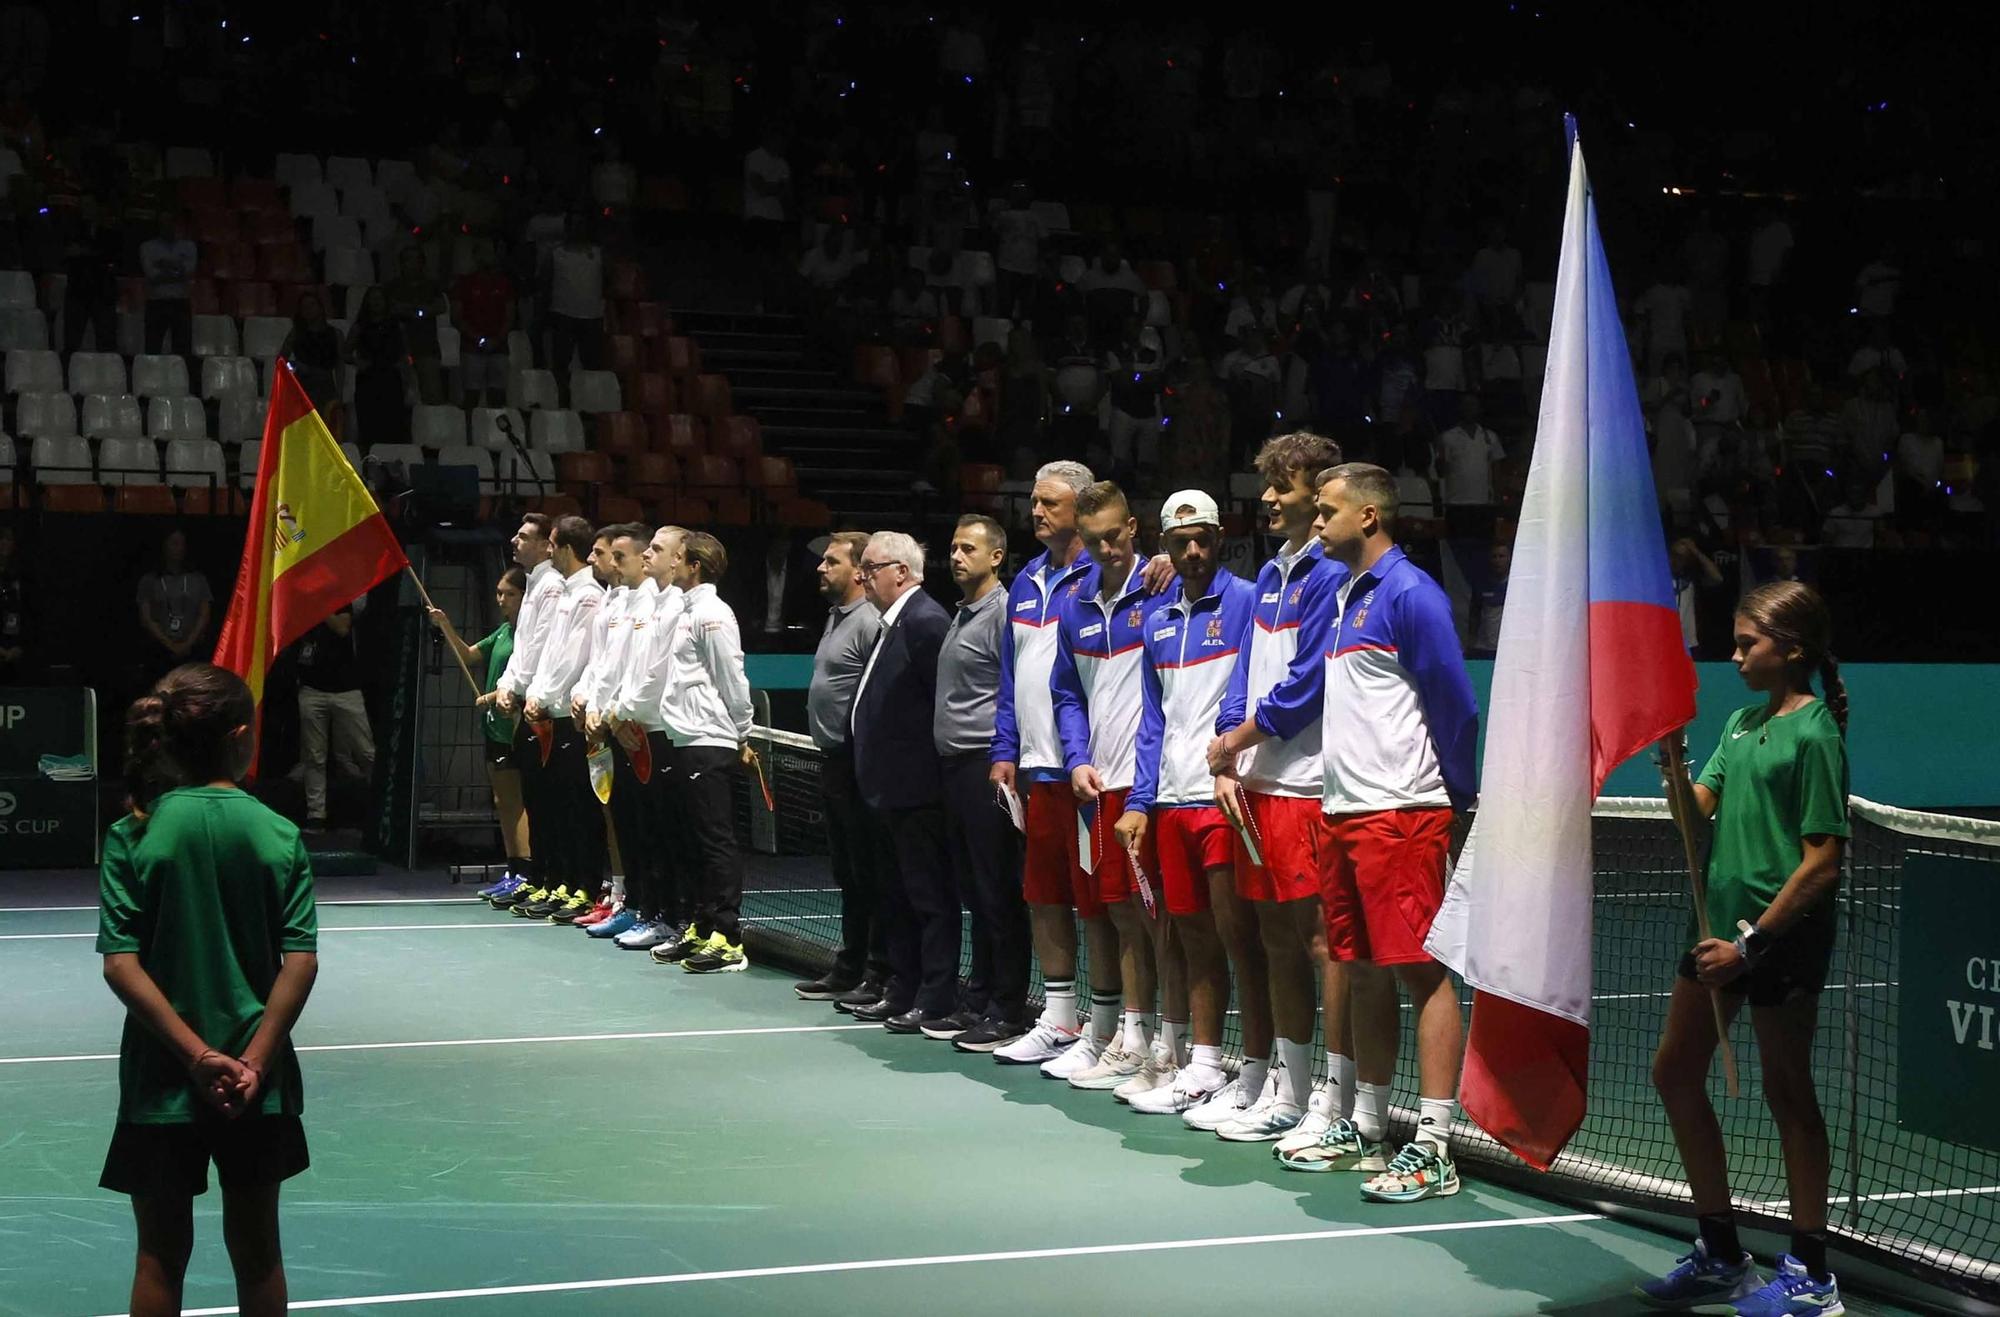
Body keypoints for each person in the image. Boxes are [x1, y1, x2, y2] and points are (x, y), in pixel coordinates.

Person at [1640, 582, 1850, 1316]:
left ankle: (1813, 1274)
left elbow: (1822, 858)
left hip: (1777, 939)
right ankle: (1723, 1253)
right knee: (1674, 1071)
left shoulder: (1815, 733)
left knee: (1787, 1091)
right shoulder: (1737, 724)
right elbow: (1693, 826)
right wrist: (1673, 765)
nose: (1733, 656)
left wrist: (1752, 943)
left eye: (1746, 643)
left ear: (1791, 649)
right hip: (1717, 930)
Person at [1272, 463, 1478, 1201]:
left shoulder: (1411, 594)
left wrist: (1455, 794)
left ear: (1367, 517)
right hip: (1343, 811)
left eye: (1326, 511)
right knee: (1359, 967)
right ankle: (1365, 1125)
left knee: (1422, 972)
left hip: (1402, 812)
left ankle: (1434, 1143)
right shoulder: (1343, 596)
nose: (1315, 521)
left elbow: (1454, 706)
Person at [97, 663, 319, 1317]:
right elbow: (300, 961)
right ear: (242, 736)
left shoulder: (132, 833)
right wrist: (253, 1061)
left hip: (161, 1081)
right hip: (261, 1084)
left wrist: (196, 1058)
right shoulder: (277, 833)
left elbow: (120, 964)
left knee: (159, 1258)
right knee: (259, 1258)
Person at [1202, 433, 1349, 1141]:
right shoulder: (1269, 575)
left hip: (1307, 782)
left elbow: (1310, 682)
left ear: (1318, 495)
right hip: (1258, 783)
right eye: (1267, 485)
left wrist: (1236, 740)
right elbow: (1245, 669)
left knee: (1319, 942)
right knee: (1274, 940)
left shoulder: (1326, 574)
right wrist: (1231, 745)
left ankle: (1337, 1097)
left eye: (1282, 486)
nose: (1267, 497)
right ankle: (1290, 1090)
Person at [1117, 490, 1255, 1116]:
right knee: (1193, 937)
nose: (1193, 551)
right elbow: (1153, 720)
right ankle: (1203, 1064)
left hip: (1224, 800)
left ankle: (1259, 1071)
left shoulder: (1249, 602)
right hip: (1170, 804)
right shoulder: (1156, 620)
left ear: (1220, 536)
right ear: (1165, 544)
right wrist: (1142, 800)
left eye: (1202, 538)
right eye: (1180, 542)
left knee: (1240, 937)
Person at [990, 461, 1117, 1066]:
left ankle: (1108, 1026)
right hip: (1036, 770)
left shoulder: (1103, 577)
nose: (1035, 512)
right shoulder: (1025, 582)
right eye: (1033, 502)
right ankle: (1062, 1018)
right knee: (1044, 896)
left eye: (1049, 503)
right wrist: (1003, 750)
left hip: (1088, 773)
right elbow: (1011, 679)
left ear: (1082, 509)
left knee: (1096, 902)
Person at [1048, 481, 1168, 1089]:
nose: (1106, 549)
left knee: (1159, 917)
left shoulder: (1164, 586)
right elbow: (1065, 691)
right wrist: (1075, 757)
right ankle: (1134, 1033)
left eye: (1115, 536)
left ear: (1134, 530)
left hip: (1151, 785)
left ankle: (1170, 1046)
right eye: (1093, 540)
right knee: (1119, 911)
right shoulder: (1074, 602)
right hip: (1097, 785)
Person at [847, 531, 958, 1031]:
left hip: (917, 792)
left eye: (870, 568)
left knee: (928, 899)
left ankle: (933, 997)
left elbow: (941, 704)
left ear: (902, 572)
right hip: (888, 791)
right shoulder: (893, 622)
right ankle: (902, 986)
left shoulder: (926, 621)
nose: (862, 577)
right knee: (896, 896)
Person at [935, 515, 1034, 1051]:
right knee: (974, 888)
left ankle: (1006, 1007)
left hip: (988, 765)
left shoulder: (1003, 612)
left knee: (998, 890)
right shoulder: (962, 613)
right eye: (952, 547)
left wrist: (1006, 755)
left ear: (996, 557)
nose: (956, 555)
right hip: (954, 766)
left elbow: (1012, 690)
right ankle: (979, 996)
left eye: (968, 548)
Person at [655, 531, 757, 973]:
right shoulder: (686, 610)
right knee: (693, 840)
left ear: (694, 565)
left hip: (710, 739)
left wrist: (742, 731)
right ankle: (701, 925)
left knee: (716, 841)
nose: (671, 564)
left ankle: (728, 937)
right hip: (686, 738)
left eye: (678, 558)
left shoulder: (714, 613)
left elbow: (730, 675)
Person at [795, 533, 887, 1002]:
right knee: (847, 872)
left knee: (869, 872)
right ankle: (850, 965)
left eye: (831, 561)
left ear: (858, 572)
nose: (820, 567)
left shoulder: (870, 621)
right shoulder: (836, 618)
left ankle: (876, 970)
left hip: (860, 765)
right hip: (831, 761)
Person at [601, 525, 692, 948]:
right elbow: (624, 667)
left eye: (657, 548)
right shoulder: (651, 603)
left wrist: (622, 712)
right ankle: (646, 909)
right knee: (637, 828)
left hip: (656, 730)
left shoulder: (675, 605)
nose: (650, 554)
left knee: (663, 833)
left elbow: (656, 672)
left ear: (678, 558)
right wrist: (614, 712)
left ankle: (672, 917)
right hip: (630, 726)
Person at [515, 516, 606, 922]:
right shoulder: (567, 593)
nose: (548, 552)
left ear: (566, 548)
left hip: (570, 714)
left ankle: (581, 885)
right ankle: (558, 881)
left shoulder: (587, 595)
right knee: (551, 803)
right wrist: (534, 694)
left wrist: (543, 696)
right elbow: (547, 653)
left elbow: (574, 658)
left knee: (575, 807)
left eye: (552, 545)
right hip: (548, 709)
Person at [426, 568, 531, 894]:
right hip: (493, 728)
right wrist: (445, 626)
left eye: (509, 593)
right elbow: (469, 654)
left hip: (518, 726)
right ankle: (513, 871)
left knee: (519, 802)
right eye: (499, 593)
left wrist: (490, 697)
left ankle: (528, 872)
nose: (502, 599)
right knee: (502, 801)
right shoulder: (502, 632)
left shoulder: (530, 636)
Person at [575, 524, 653, 928]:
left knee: (639, 824)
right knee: (613, 815)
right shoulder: (615, 601)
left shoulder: (650, 604)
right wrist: (587, 699)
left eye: (611, 555)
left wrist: (612, 712)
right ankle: (621, 895)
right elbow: (602, 664)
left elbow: (637, 670)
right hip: (605, 720)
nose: (599, 561)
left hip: (631, 726)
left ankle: (637, 902)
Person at [487, 515, 566, 908]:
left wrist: (524, 691)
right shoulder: (535, 583)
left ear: (547, 546)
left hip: (546, 710)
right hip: (527, 703)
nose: (514, 541)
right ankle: (540, 877)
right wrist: (507, 686)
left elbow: (545, 649)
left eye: (524, 536)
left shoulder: (552, 587)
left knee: (551, 802)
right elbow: (524, 649)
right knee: (534, 798)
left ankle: (557, 880)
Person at [292, 600, 374, 832]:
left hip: (346, 690)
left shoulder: (339, 599)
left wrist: (319, 607)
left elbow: (342, 628)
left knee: (366, 752)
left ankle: (379, 807)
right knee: (314, 756)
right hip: (312, 689)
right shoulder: (300, 604)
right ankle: (316, 815)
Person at [136, 530, 213, 685]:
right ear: (164, 546)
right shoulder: (150, 580)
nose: (178, 548)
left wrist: (186, 644)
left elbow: (204, 614)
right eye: (174, 543)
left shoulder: (197, 579)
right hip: (159, 650)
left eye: (181, 544)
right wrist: (170, 645)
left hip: (192, 650)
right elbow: (146, 617)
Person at [343, 287, 410, 450]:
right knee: (369, 425)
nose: (376, 302)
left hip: (391, 380)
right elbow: (345, 353)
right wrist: (357, 361)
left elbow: (405, 355)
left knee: (393, 425)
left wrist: (405, 371)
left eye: (379, 298)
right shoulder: (359, 327)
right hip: (368, 381)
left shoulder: (398, 326)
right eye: (372, 299)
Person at [139, 211, 196, 372]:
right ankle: (151, 381)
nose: (169, 226)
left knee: (183, 350)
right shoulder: (147, 247)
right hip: (156, 303)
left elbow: (188, 272)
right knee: (153, 348)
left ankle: (182, 382)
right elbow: (151, 275)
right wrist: (177, 268)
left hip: (180, 302)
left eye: (171, 222)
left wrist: (162, 265)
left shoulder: (189, 246)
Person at [278, 293, 344, 419]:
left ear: (320, 307)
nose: (308, 309)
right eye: (304, 307)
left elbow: (339, 365)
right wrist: (294, 367)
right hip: (303, 387)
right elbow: (281, 360)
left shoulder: (335, 334)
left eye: (312, 305)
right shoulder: (296, 333)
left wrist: (339, 393)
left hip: (326, 386)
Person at [0, 523, 29, 683]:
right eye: (1, 538)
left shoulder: (20, 576)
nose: (4, 543)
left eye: (8, 539)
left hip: (15, 651)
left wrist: (19, 647)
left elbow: (28, 613)